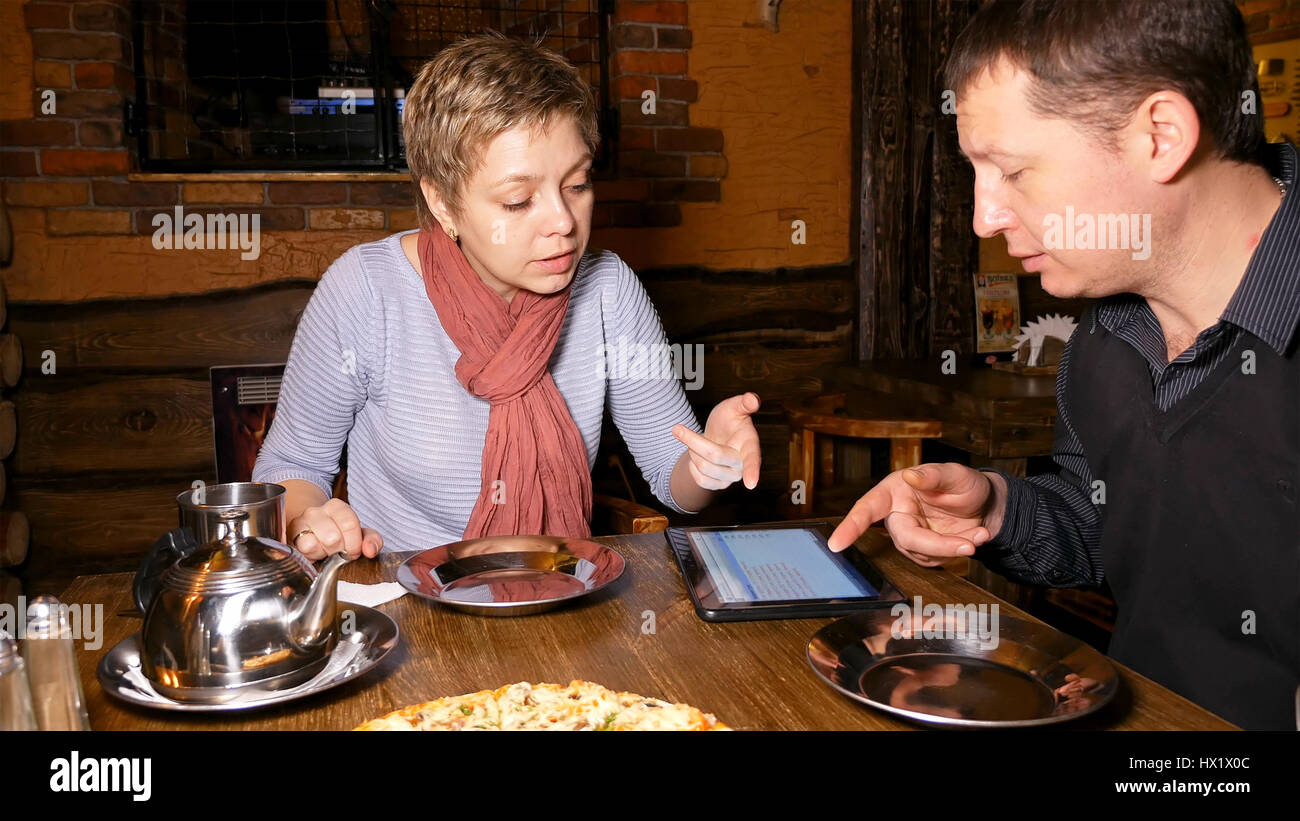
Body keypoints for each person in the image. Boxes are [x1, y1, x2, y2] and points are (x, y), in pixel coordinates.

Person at [828, 0, 1298, 730]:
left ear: (1160, 135)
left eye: (1013, 170)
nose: (985, 216)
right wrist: (994, 503)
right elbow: (1096, 522)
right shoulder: (1104, 338)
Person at [253, 33, 762, 562]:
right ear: (442, 203)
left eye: (577, 184)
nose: (563, 222)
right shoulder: (365, 290)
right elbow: (291, 466)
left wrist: (711, 465)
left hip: (559, 592)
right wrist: (309, 520)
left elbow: (668, 473)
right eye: (519, 201)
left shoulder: (607, 288)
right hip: (409, 608)